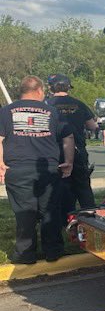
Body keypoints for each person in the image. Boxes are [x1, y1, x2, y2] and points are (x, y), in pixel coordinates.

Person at [0, 76, 75, 264]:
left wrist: (0, 163)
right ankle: (53, 250)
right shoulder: (52, 112)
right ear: (40, 90)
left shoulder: (5, 111)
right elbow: (68, 137)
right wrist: (68, 162)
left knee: (24, 212)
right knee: (50, 210)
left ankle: (25, 253)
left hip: (17, 168)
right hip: (47, 168)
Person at [46, 73, 98, 213]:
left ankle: (63, 217)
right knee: (83, 186)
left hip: (55, 151)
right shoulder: (79, 104)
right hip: (77, 150)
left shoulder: (46, 105)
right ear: (68, 87)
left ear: (50, 87)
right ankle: (90, 215)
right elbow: (92, 126)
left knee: (58, 188)